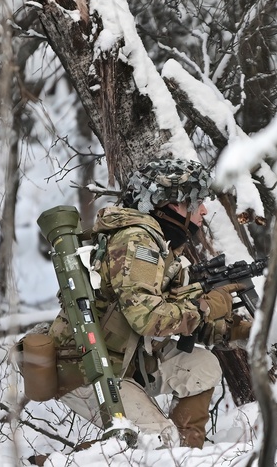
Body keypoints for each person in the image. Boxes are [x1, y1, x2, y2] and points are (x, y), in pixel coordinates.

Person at [47, 157, 250, 448]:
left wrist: (241, 330)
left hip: (121, 363)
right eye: (195, 202)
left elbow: (177, 316)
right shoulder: (136, 243)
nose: (203, 210)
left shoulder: (158, 245)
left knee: (202, 366)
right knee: (156, 442)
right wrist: (205, 307)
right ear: (169, 205)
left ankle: (190, 455)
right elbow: (150, 319)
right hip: (87, 371)